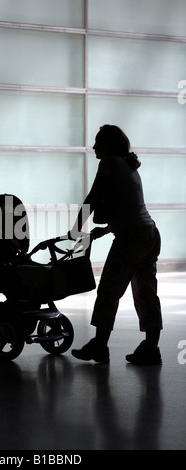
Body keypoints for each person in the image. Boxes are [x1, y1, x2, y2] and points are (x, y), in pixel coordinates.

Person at [70, 124, 162, 365]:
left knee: (108, 291)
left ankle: (100, 346)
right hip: (149, 234)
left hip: (132, 238)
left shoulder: (109, 163)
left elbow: (93, 197)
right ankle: (151, 348)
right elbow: (130, 207)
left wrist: (76, 228)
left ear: (109, 145)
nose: (94, 147)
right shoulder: (129, 166)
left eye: (98, 142)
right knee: (147, 293)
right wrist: (108, 229)